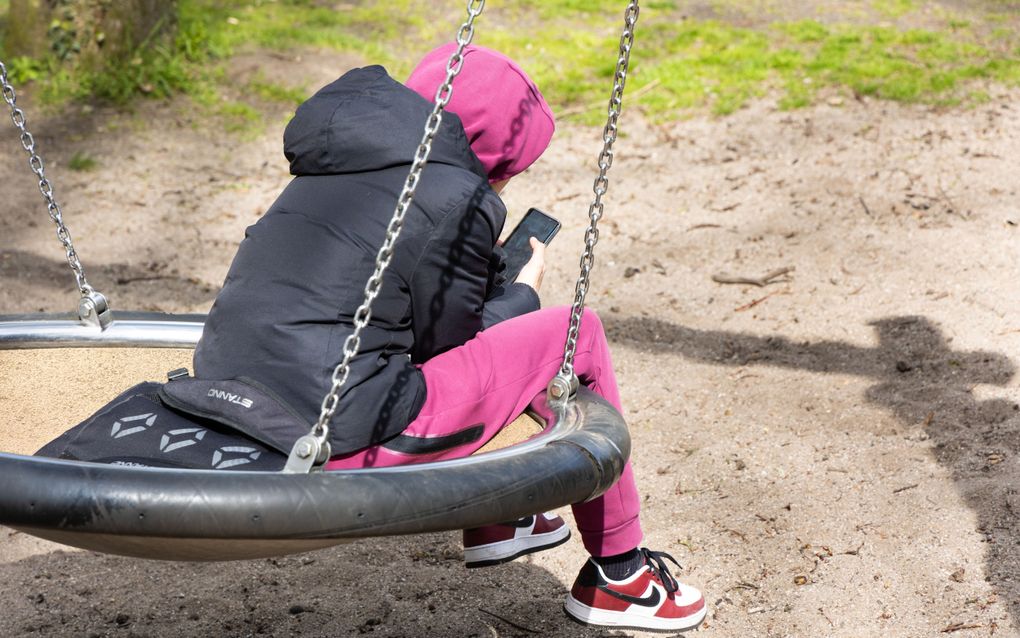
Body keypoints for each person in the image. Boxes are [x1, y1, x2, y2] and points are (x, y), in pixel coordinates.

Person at [192, 44, 706, 632]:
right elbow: (451, 348)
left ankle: (498, 515)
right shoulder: (456, 197)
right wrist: (523, 294)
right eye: (514, 167)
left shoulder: (334, 160)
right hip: (337, 430)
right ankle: (621, 574)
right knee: (573, 333)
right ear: (495, 155)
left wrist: (478, 270)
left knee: (487, 351)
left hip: (230, 396)